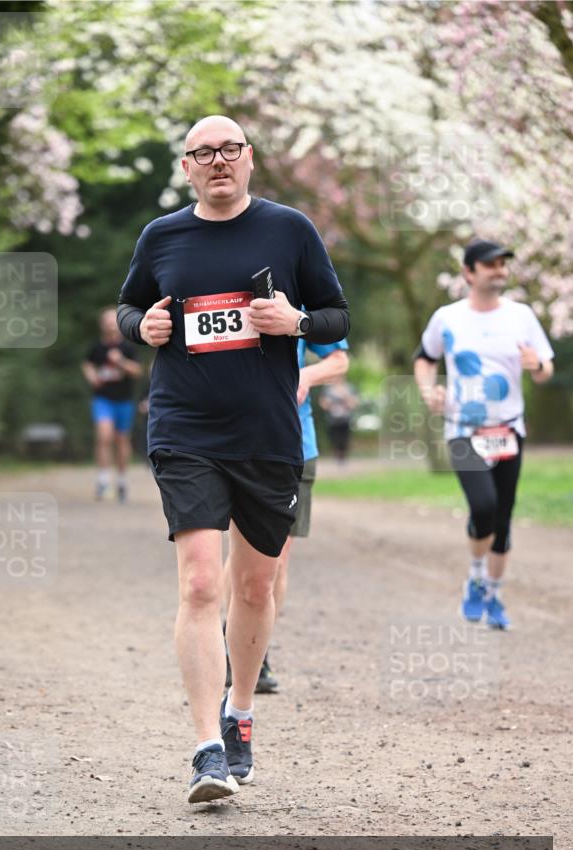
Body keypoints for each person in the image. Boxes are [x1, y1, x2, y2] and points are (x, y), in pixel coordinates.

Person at [116, 115, 350, 803]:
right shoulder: (161, 236)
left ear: (249, 159)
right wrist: (145, 327)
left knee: (254, 587)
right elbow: (130, 308)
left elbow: (337, 318)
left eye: (228, 150)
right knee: (197, 584)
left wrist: (296, 323)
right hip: (185, 428)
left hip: (267, 434)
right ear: (185, 167)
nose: (217, 161)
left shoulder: (289, 230)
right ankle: (205, 750)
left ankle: (239, 713)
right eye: (202, 153)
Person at [414, 238, 554, 629]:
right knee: (484, 506)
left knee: (504, 517)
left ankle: (493, 594)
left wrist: (537, 364)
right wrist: (429, 391)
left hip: (509, 429)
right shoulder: (447, 317)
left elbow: (545, 371)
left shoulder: (522, 315)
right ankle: (476, 578)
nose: (499, 270)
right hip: (463, 430)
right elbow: (424, 359)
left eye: (503, 264)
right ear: (469, 273)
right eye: (490, 264)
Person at [223, 337, 350, 693]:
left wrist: (305, 376)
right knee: (241, 551)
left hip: (294, 444)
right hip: (231, 443)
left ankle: (253, 649)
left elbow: (339, 360)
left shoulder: (301, 286)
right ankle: (229, 634)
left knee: (275, 557)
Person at [81, 307, 143, 502]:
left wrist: (121, 361)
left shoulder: (127, 348)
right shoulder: (97, 347)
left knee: (121, 440)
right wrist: (91, 376)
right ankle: (103, 480)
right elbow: (87, 364)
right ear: (102, 325)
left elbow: (137, 372)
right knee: (104, 435)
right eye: (106, 321)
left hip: (124, 400)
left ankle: (122, 482)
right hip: (103, 399)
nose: (110, 324)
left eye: (113, 320)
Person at [319, 376, 358, 463]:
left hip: (345, 419)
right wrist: (329, 403)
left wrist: (345, 397)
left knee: (345, 439)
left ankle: (343, 458)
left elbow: (354, 403)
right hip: (332, 419)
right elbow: (323, 403)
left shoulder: (349, 388)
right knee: (334, 439)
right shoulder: (328, 389)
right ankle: (337, 457)